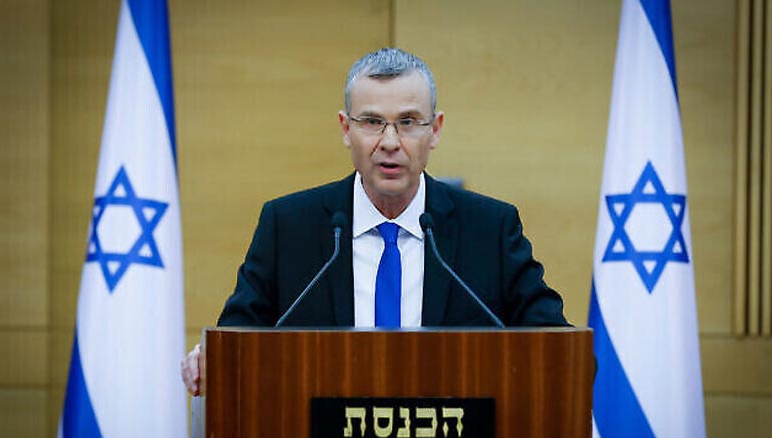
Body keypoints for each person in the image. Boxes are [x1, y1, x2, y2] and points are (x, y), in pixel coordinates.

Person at [181, 48, 567, 395]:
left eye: (408, 121)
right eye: (371, 121)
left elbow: (558, 349)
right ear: (345, 129)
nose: (390, 142)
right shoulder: (289, 227)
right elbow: (238, 336)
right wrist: (212, 358)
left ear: (435, 130)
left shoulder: (490, 229)